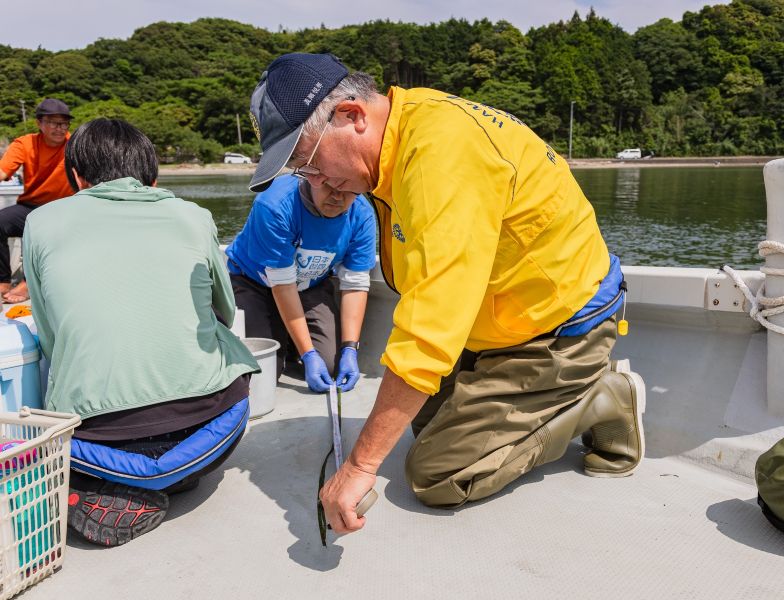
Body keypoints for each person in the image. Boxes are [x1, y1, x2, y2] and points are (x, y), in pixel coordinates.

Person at [246, 53, 648, 535]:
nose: (317, 183)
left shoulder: (442, 155)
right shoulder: (400, 134)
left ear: (352, 116)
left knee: (440, 473)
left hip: (558, 329)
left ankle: (601, 393)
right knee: (422, 426)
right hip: (495, 327)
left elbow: (429, 329)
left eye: (308, 163)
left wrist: (357, 468)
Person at [24, 118, 260, 547]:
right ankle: (175, 476)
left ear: (76, 177)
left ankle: (116, 486)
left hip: (96, 443)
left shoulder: (40, 223)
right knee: (236, 376)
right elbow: (226, 312)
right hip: (211, 426)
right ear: (151, 178)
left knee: (60, 415)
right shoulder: (193, 215)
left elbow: (50, 338)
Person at [226, 173, 375, 393]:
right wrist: (308, 354)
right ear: (310, 177)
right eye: (330, 186)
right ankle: (285, 341)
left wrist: (350, 348)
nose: (337, 197)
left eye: (348, 189)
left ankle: (289, 338)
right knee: (263, 372)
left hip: (310, 284)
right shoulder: (274, 205)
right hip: (254, 281)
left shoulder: (362, 215)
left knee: (330, 364)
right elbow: (283, 286)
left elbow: (355, 283)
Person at [0, 98, 74, 303]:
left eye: (64, 123)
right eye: (53, 122)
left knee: (37, 226)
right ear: (39, 123)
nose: (59, 128)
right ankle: (3, 281)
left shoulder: (75, 144)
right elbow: (3, 170)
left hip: (64, 208)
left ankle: (27, 283)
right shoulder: (25, 143)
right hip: (30, 206)